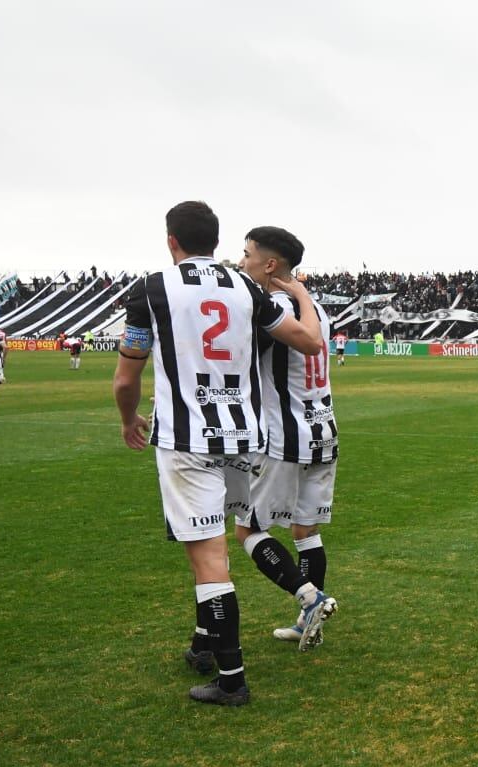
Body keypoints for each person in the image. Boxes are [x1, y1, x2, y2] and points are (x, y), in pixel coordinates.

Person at [112, 201, 327, 707]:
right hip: (242, 438)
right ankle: (204, 644)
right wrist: (299, 293)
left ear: (172, 242)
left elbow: (127, 376)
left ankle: (231, 680)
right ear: (215, 241)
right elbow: (307, 341)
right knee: (220, 545)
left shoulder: (151, 289)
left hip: (187, 440)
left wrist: (127, 418)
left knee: (208, 557)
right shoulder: (249, 288)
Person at [235, 226, 341, 649]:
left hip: (285, 435)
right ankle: (307, 623)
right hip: (325, 429)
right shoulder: (313, 306)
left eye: (247, 254)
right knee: (305, 531)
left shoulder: (269, 308)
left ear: (270, 263)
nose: (242, 262)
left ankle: (309, 598)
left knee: (248, 530)